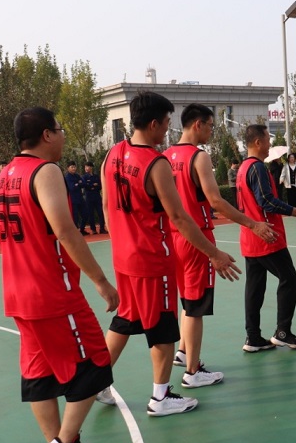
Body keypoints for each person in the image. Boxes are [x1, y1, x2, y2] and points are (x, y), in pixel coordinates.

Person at [99, 91, 240, 417]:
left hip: (123, 257)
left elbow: (106, 205)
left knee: (125, 320)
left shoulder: (112, 154)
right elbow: (179, 218)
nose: (167, 130)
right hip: (151, 257)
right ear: (153, 124)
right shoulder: (155, 162)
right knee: (163, 329)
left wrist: (121, 239)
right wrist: (214, 253)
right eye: (165, 123)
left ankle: (97, 382)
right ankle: (160, 397)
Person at [0, 107, 118, 443]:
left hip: (18, 292)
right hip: (51, 292)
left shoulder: (5, 175)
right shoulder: (45, 171)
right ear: (47, 135)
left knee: (40, 376)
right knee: (95, 362)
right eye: (60, 129)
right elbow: (65, 230)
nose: (63, 136)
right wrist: (100, 280)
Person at [163, 104, 275, 389]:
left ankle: (183, 352)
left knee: (187, 301)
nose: (212, 131)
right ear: (197, 124)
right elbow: (215, 201)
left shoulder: (166, 156)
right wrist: (252, 224)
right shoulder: (198, 157)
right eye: (211, 126)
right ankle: (193, 371)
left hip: (173, 237)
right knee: (196, 307)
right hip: (196, 237)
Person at [237, 124, 296, 352]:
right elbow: (267, 201)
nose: (269, 144)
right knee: (289, 279)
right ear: (258, 142)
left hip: (250, 237)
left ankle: (253, 337)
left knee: (254, 287)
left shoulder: (243, 167)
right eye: (267, 140)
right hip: (267, 236)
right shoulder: (257, 168)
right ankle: (283, 332)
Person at [64, 161, 89, 235]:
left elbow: (83, 184)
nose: (74, 168)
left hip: (80, 198)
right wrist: (78, 183)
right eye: (72, 167)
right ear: (68, 168)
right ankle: (76, 233)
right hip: (73, 200)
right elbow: (72, 187)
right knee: (75, 217)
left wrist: (77, 184)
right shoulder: (67, 177)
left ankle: (82, 229)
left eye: (74, 167)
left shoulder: (77, 176)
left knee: (85, 214)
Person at [82, 162, 106, 234]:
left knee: (101, 213)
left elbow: (100, 186)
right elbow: (85, 186)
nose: (86, 168)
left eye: (88, 167)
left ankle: (102, 228)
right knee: (91, 214)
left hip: (97, 197)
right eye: (85, 167)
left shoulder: (96, 176)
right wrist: (93, 185)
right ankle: (93, 229)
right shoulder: (84, 177)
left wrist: (93, 186)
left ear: (91, 167)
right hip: (89, 198)